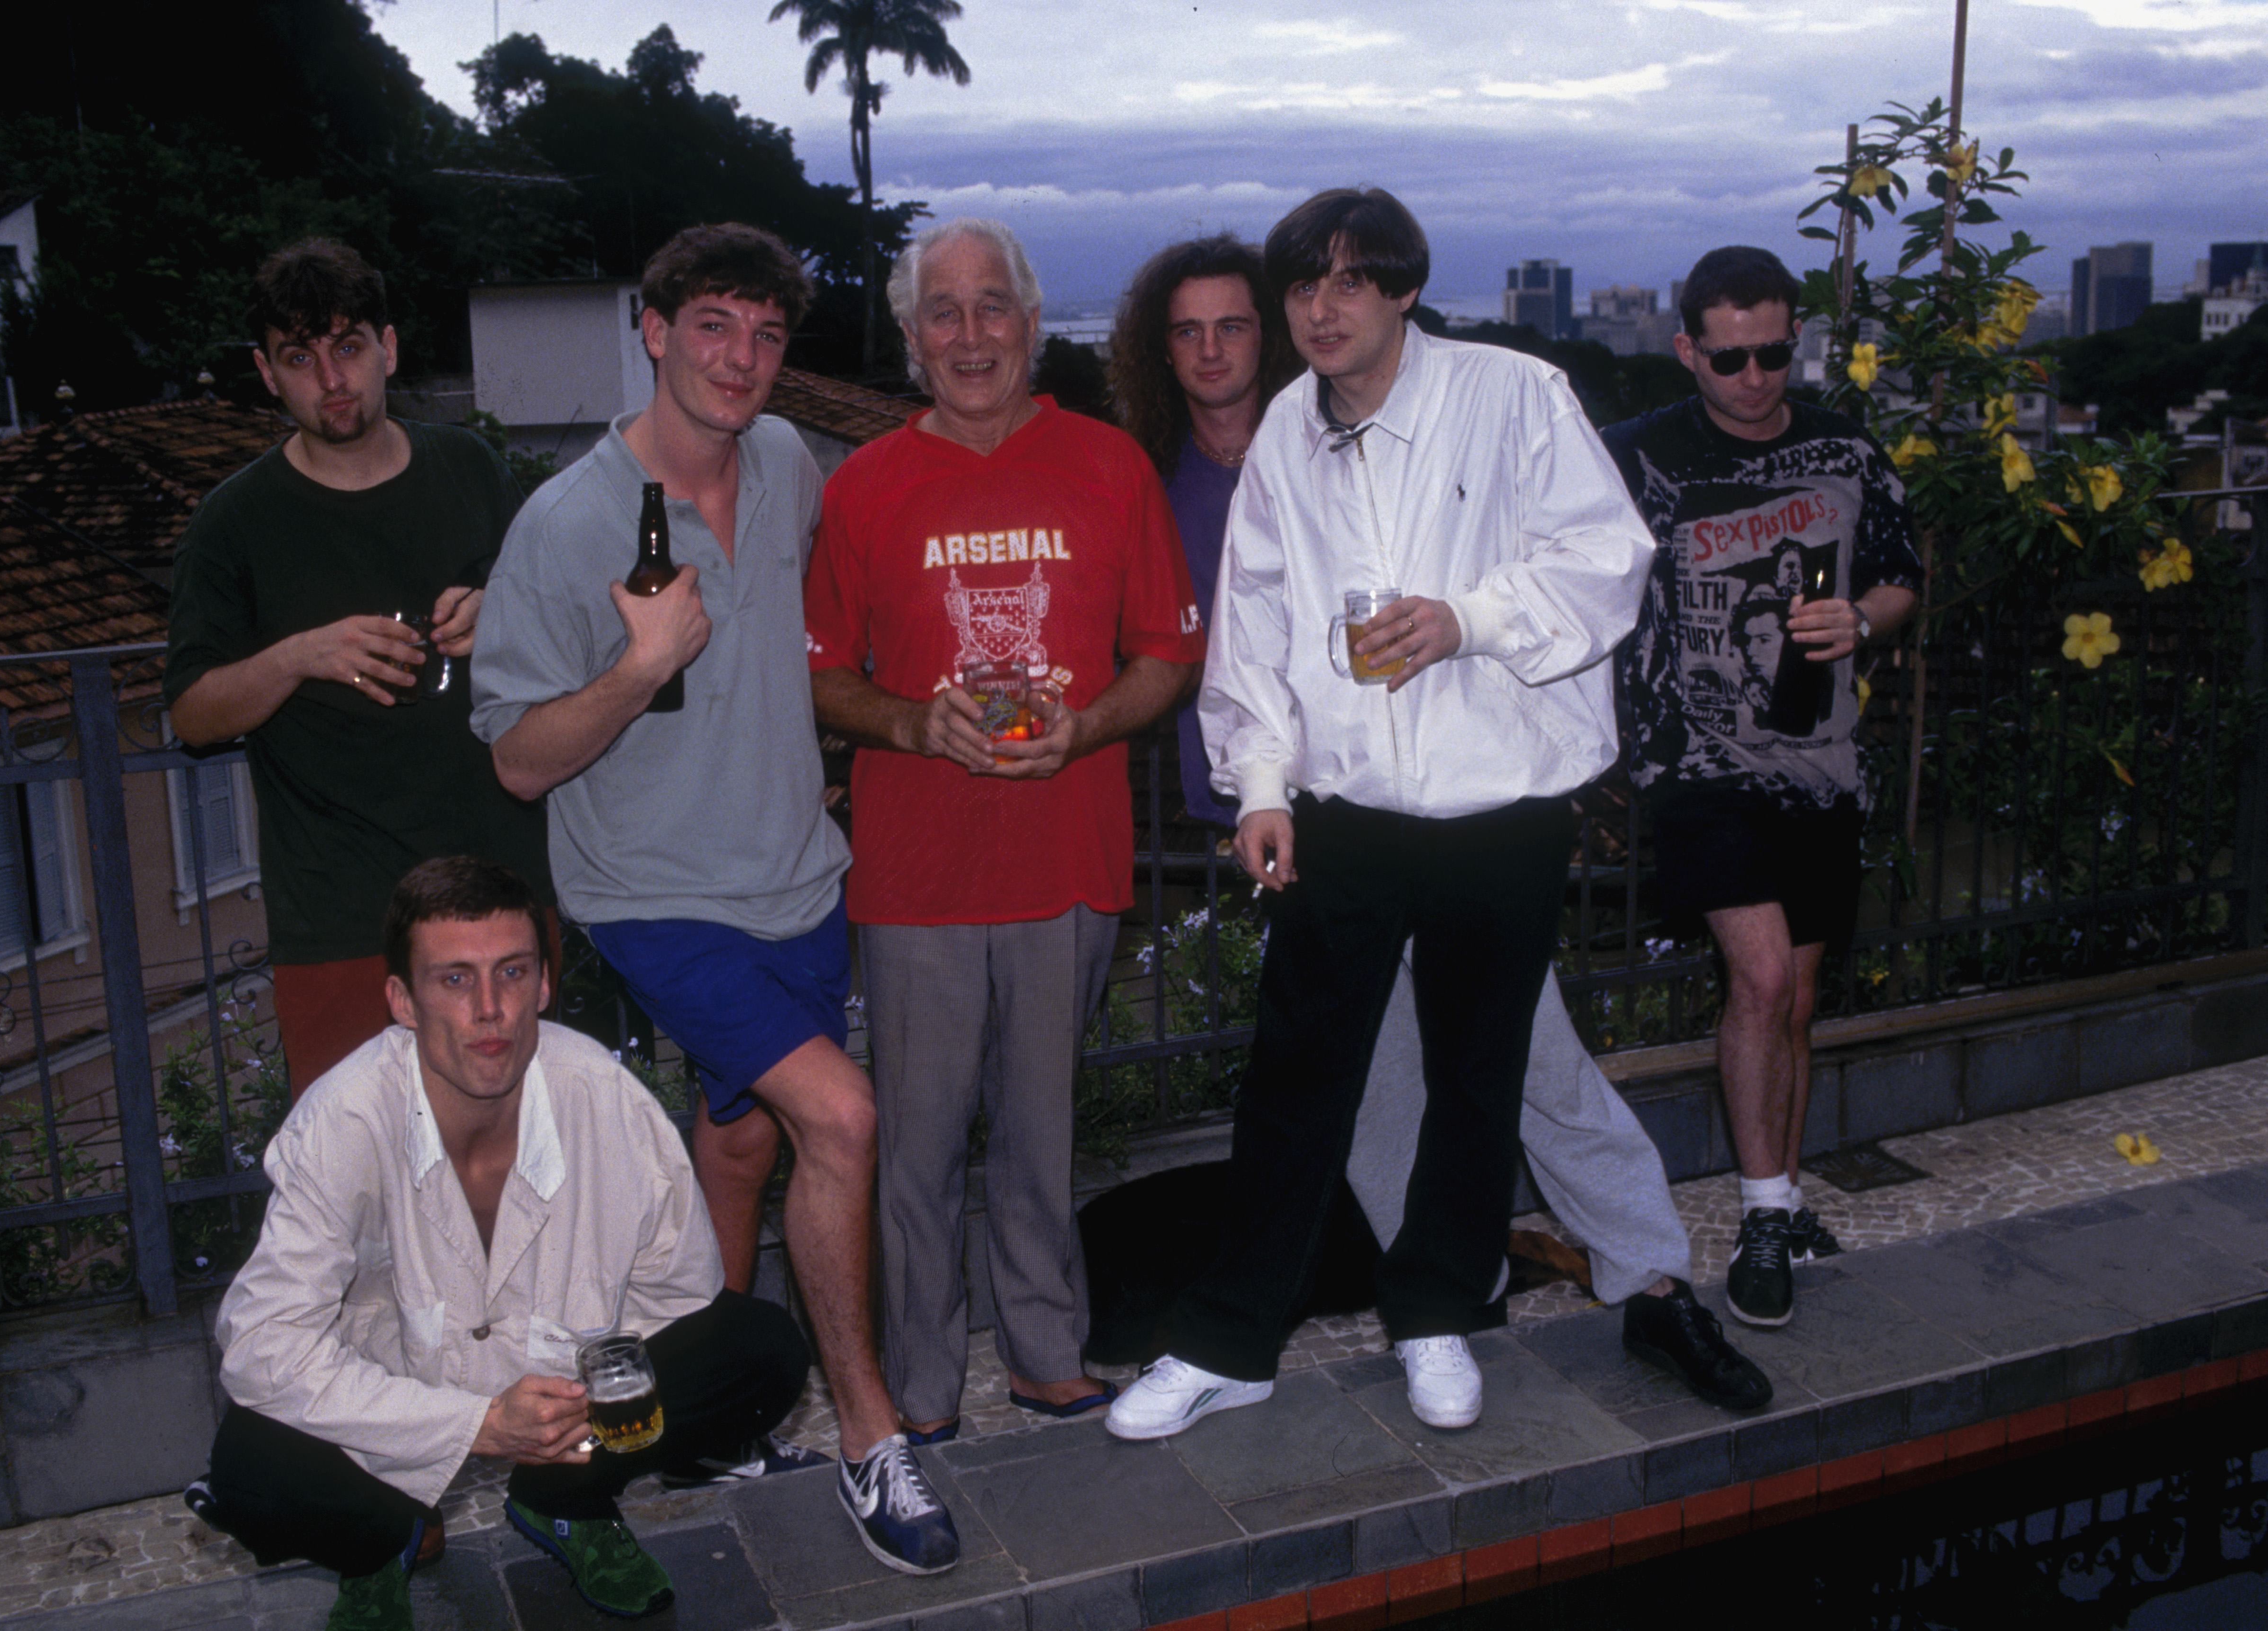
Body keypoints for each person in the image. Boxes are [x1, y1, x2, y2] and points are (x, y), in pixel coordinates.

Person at [1108, 236, 1766, 1412]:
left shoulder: (1512, 394)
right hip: (1345, 811)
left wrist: (1467, 618)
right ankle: (1226, 1343)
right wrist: (1259, 782)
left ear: (1404, 289)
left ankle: (1444, 1314)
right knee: (1299, 1080)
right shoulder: (1282, 436)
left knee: (1484, 1075)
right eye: (1303, 286)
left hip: (1496, 804)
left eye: (1350, 282)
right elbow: (1252, 625)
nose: (1322, 309)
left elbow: (1606, 557)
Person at [467, 224, 957, 1576]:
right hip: (654, 893)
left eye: (766, 333)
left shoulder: (791, 460)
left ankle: (717, 1418)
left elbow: (864, 572)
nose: (741, 359)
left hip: (797, 877)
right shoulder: (565, 522)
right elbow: (515, 758)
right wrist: (635, 668)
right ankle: (870, 1435)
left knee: (737, 1145)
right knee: (840, 1112)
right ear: (654, 330)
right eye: (713, 327)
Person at [805, 219, 1204, 1453]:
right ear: (911, 338)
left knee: (1041, 1135)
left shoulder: (1109, 468)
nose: (969, 334)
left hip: (1064, 865)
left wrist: (1083, 724)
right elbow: (819, 673)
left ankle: (1043, 1355)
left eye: (992, 308)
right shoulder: (863, 485)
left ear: (1033, 326)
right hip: (915, 874)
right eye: (942, 311)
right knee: (914, 1152)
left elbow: (1169, 656)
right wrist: (915, 723)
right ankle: (921, 1383)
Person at [189, 857, 811, 1631]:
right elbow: (259, 1345)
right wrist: (475, 1422)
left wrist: (564, 1405)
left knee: (759, 1347)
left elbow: (677, 1292)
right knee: (250, 1467)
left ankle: (565, 1505)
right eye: (454, 979)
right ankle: (379, 1546)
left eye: (512, 972)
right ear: (402, 1001)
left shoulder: (604, 1097)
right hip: (389, 1406)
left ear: (546, 985)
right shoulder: (343, 1120)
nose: (491, 1009)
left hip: (562, 1400)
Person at [1603, 245, 1921, 1329]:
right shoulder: (1635, 458)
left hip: (1818, 757)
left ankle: (1778, 1197)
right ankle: (1760, 1216)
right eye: (1728, 357)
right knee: (1757, 979)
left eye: (1773, 353)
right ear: (1687, 348)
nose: (1752, 378)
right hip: (1696, 763)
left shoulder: (1841, 445)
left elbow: (1899, 571)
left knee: (1794, 994)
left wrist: (1861, 618)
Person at [164, 238, 554, 1098]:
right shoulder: (233, 522)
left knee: (532, 1170)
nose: (331, 379)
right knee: (361, 1194)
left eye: (348, 347)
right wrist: (303, 654)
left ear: (390, 349)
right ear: (269, 375)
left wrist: (503, 613)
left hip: (506, 891)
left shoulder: (472, 467)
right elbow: (192, 713)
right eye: (300, 358)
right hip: (344, 919)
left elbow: (558, 624)